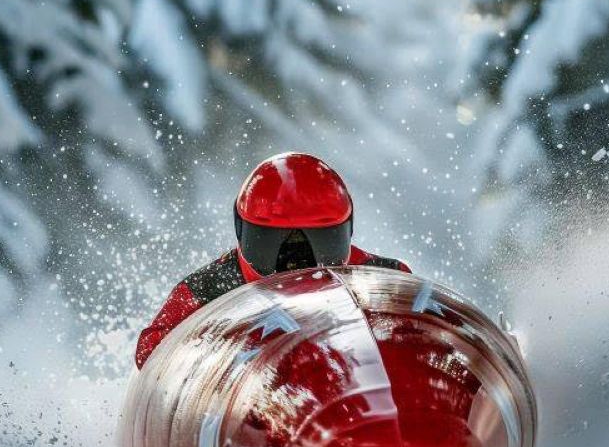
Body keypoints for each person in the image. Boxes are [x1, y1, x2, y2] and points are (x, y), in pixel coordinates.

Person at [135, 152, 410, 368]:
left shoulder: (386, 276)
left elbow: (427, 334)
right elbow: (150, 352)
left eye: (317, 244)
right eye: (277, 245)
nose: (296, 267)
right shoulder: (209, 288)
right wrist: (220, 351)